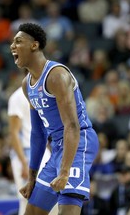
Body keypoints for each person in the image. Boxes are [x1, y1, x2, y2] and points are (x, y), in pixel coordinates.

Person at [10, 23, 99, 215]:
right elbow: (38, 133)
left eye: (18, 41)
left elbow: (72, 126)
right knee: (32, 212)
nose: (12, 46)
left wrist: (65, 171)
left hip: (79, 142)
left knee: (66, 210)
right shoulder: (27, 84)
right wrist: (32, 177)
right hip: (58, 146)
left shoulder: (56, 75)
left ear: (34, 45)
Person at [8, 71, 58, 215]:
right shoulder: (17, 97)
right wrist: (23, 163)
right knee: (27, 198)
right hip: (26, 152)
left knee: (51, 195)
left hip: (43, 151)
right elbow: (14, 133)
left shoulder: (40, 94)